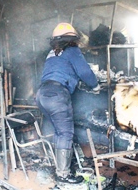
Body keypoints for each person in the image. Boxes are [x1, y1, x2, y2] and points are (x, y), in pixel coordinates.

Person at [35, 22, 100, 184]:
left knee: (59, 131)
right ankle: (63, 175)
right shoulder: (72, 51)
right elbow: (85, 72)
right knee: (65, 133)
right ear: (72, 39)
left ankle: (60, 166)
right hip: (57, 94)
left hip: (42, 94)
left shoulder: (52, 53)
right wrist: (96, 85)